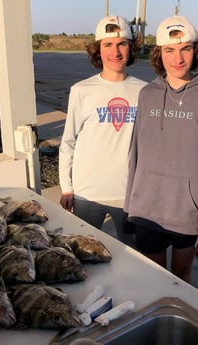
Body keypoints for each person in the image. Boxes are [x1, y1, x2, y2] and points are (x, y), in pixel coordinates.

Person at [124, 15, 198, 282]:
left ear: (196, 51)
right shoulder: (147, 94)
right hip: (147, 209)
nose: (178, 58)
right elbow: (136, 152)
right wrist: (130, 205)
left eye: (186, 49)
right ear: (159, 53)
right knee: (153, 278)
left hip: (187, 211)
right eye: (170, 50)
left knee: (181, 278)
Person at [59, 15, 147, 246]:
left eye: (122, 44)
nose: (115, 52)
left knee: (133, 259)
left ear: (131, 48)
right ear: (98, 49)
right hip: (87, 193)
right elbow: (68, 142)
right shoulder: (81, 90)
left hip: (127, 194)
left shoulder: (145, 91)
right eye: (107, 44)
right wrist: (67, 188)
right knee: (83, 253)